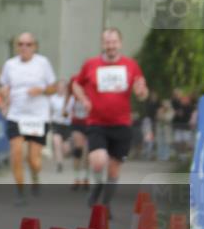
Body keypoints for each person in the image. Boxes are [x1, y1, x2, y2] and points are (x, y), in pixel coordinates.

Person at [71, 27, 148, 209]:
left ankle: (105, 205)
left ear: (120, 43)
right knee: (98, 161)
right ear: (102, 44)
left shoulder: (131, 65)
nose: (111, 46)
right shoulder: (91, 64)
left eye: (114, 42)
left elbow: (142, 93)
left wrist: (141, 91)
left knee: (114, 169)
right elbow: (76, 84)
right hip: (97, 123)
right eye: (107, 42)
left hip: (121, 124)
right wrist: (83, 99)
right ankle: (96, 188)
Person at [0, 32, 57, 204]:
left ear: (35, 46)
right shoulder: (10, 65)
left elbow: (53, 88)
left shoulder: (43, 63)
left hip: (38, 117)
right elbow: (4, 87)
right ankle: (19, 191)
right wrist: (3, 93)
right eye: (20, 44)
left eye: (28, 44)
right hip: (16, 115)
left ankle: (35, 175)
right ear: (17, 46)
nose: (24, 47)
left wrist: (41, 90)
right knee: (16, 152)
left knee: (34, 160)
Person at [65, 89, 91, 190]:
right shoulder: (74, 96)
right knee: (78, 149)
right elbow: (67, 110)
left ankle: (86, 178)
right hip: (77, 124)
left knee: (89, 152)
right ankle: (76, 178)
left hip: (90, 124)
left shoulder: (92, 93)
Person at [48, 80, 72, 174]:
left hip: (67, 124)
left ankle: (62, 155)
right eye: (59, 87)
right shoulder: (52, 99)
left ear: (65, 88)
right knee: (56, 142)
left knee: (66, 149)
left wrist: (65, 114)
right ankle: (59, 163)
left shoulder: (70, 99)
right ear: (56, 88)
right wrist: (49, 121)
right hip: (56, 123)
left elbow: (71, 113)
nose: (61, 89)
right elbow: (49, 111)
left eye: (63, 87)